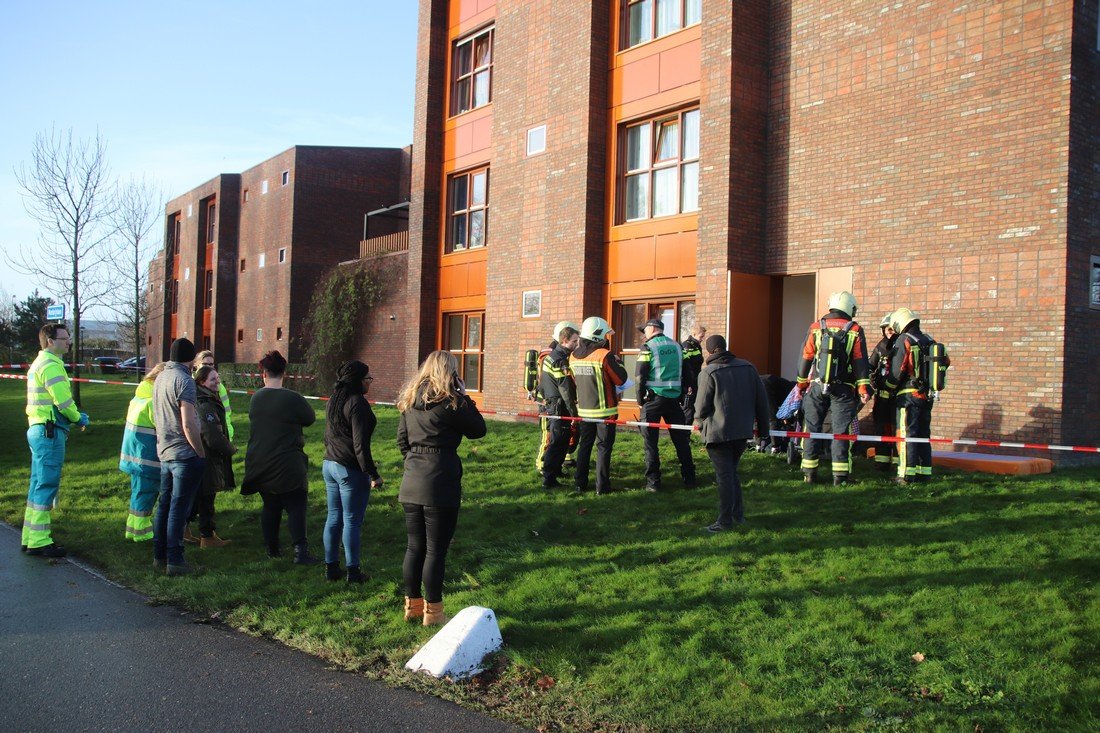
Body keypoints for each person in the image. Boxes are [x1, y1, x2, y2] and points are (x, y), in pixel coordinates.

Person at [396, 351, 486, 625]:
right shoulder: (451, 403)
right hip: (441, 480)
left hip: (412, 480)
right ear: (451, 373)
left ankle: (412, 606)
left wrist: (415, 462)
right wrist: (465, 396)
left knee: (414, 547)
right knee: (436, 550)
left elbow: (402, 442)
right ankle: (433, 612)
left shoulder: (409, 402)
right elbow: (478, 430)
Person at [241, 350, 320, 564]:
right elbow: (310, 418)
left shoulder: (256, 398)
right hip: (287, 462)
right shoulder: (293, 398)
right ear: (284, 372)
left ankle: (272, 549)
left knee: (270, 505)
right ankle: (300, 552)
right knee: (296, 505)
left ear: (263, 374)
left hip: (261, 461)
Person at [22, 323, 88, 557]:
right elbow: (64, 402)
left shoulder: (39, 363)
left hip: (38, 429)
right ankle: (39, 540)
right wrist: (79, 418)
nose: (68, 341)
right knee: (47, 484)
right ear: (51, 341)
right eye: (65, 337)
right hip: (49, 431)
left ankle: (30, 536)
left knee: (37, 483)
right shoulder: (51, 366)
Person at [693, 335, 771, 532]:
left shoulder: (708, 373)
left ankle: (725, 521)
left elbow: (701, 407)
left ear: (709, 352)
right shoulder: (748, 368)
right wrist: (764, 431)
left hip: (718, 433)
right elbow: (761, 401)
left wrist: (699, 422)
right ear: (725, 347)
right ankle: (738, 515)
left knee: (725, 477)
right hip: (742, 432)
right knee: (732, 473)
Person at [794, 291, 872, 486]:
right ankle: (840, 477)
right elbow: (860, 362)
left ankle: (809, 474)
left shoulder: (815, 327)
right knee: (840, 431)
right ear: (849, 307)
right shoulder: (854, 329)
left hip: (817, 387)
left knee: (811, 428)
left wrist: (801, 384)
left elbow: (805, 357)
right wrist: (863, 389)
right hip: (843, 389)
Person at [322, 360, 382, 584]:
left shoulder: (335, 400)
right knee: (352, 520)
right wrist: (373, 474)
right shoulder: (357, 403)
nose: (370, 382)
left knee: (334, 517)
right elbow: (360, 445)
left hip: (329, 464)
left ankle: (331, 569)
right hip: (349, 469)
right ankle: (353, 572)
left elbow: (327, 436)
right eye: (368, 378)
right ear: (358, 380)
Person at [152, 338, 206, 576]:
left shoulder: (160, 377)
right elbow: (189, 423)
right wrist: (200, 451)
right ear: (192, 358)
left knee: (164, 504)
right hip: (183, 453)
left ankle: (159, 555)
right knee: (178, 506)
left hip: (164, 450)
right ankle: (175, 559)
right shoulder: (184, 380)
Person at [886, 308, 950, 484]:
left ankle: (905, 475)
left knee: (907, 434)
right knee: (923, 434)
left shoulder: (904, 340)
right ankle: (924, 473)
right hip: (926, 396)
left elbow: (897, 371)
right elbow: (946, 361)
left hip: (908, 396)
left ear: (900, 324)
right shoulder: (930, 340)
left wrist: (888, 387)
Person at [636, 318, 696, 491]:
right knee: (681, 441)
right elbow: (688, 373)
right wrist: (685, 393)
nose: (644, 334)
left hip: (653, 401)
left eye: (644, 330)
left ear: (653, 328)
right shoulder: (678, 346)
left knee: (650, 443)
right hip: (674, 400)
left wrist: (640, 401)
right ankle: (689, 479)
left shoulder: (648, 347)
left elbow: (640, 375)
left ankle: (653, 482)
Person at [570, 316, 628, 495]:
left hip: (585, 410)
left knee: (585, 446)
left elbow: (575, 380)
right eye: (605, 335)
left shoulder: (573, 356)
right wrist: (618, 363)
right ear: (598, 336)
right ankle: (602, 487)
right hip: (605, 412)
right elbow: (621, 379)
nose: (607, 339)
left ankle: (580, 483)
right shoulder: (604, 355)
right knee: (603, 449)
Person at [119, 362, 166, 542]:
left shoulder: (139, 397)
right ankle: (142, 533)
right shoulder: (153, 402)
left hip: (134, 455)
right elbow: (163, 426)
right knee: (146, 495)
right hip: (146, 457)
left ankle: (132, 529)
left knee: (137, 493)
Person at [192, 365, 235, 548]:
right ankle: (207, 537)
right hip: (207, 456)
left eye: (217, 378)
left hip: (203, 456)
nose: (217, 381)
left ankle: (187, 530)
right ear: (202, 382)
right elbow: (212, 435)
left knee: (198, 496)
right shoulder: (205, 404)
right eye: (213, 379)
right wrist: (230, 449)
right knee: (207, 497)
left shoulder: (206, 398)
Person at [538, 321, 579, 489]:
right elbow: (566, 389)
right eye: (574, 341)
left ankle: (556, 471)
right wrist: (573, 413)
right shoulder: (559, 361)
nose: (577, 344)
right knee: (558, 442)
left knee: (561, 441)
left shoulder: (553, 356)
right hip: (558, 405)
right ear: (564, 340)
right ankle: (549, 479)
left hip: (552, 402)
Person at [869, 312, 899, 472]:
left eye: (892, 329)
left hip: (896, 399)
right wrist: (870, 378)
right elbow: (869, 366)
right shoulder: (880, 347)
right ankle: (881, 462)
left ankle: (896, 462)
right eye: (887, 329)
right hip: (881, 399)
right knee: (881, 430)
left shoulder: (901, 345)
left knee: (896, 431)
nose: (889, 332)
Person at [195, 350, 234, 439]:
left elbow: (226, 411)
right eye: (205, 364)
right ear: (197, 365)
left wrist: (227, 432)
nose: (209, 366)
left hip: (218, 432)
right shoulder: (190, 384)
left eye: (211, 364)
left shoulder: (219, 386)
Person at [680, 323, 706, 422]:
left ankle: (687, 435)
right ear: (694, 334)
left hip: (695, 381)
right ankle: (684, 435)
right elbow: (686, 366)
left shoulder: (696, 346)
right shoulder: (688, 345)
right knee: (688, 409)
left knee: (692, 408)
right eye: (701, 336)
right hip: (689, 383)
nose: (702, 339)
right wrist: (688, 384)